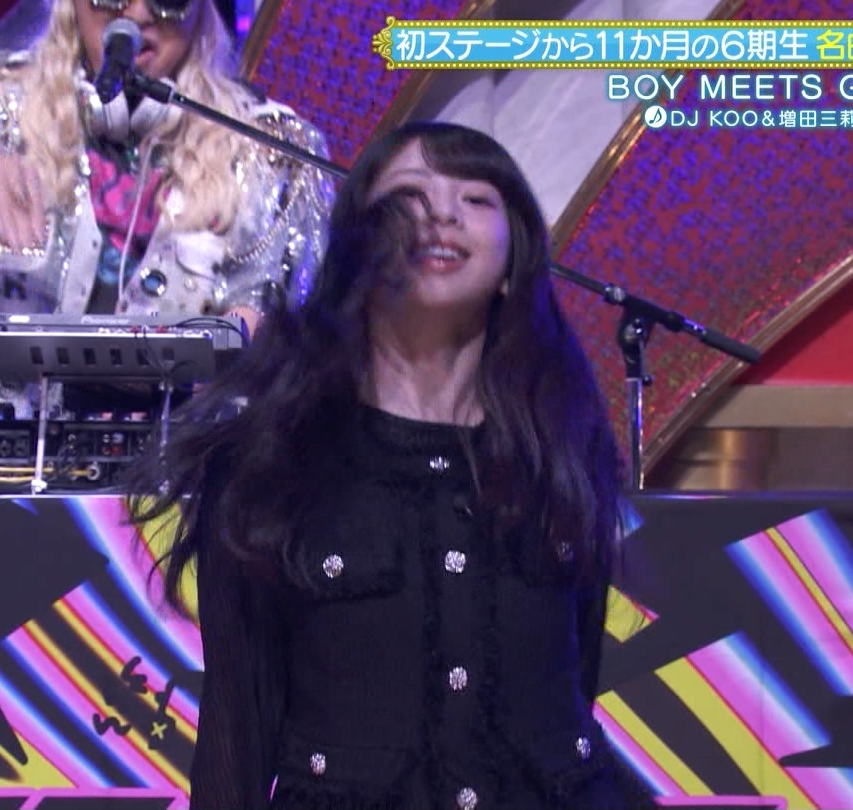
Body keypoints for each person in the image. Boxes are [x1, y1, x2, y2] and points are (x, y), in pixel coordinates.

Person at [129, 121, 657, 810]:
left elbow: (575, 683)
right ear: (355, 244)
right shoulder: (272, 458)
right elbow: (238, 729)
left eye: (476, 199)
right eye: (411, 194)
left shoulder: (561, 447)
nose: (443, 214)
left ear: (513, 259)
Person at [0, 0, 334, 419]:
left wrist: (223, 350)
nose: (137, 13)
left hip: (165, 486)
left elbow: (275, 319)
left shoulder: (270, 147)